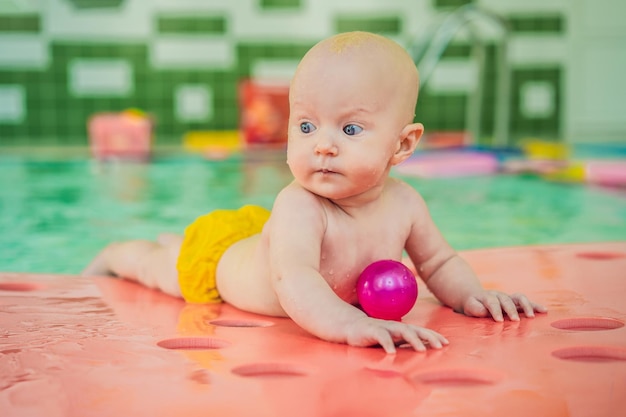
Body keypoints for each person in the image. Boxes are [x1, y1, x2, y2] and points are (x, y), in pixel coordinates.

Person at [83, 31, 547, 354]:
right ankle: (118, 252)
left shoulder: (405, 203)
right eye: (306, 125)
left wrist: (472, 296)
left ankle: (165, 242)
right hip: (219, 261)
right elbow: (296, 281)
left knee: (200, 246)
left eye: (349, 128)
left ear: (402, 144)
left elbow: (439, 263)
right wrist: (349, 323)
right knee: (159, 269)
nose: (322, 144)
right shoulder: (300, 205)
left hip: (258, 238)